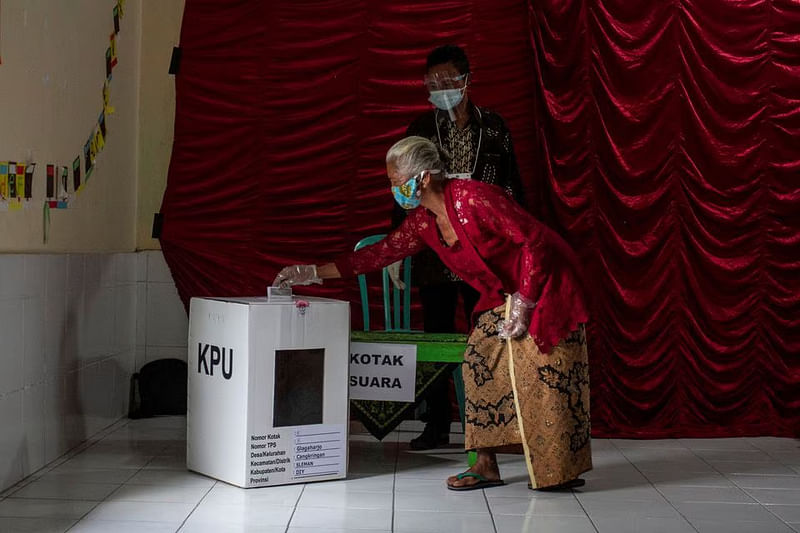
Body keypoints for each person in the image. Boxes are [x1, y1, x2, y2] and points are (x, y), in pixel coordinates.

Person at [273, 136, 592, 491]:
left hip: (544, 281)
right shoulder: (423, 222)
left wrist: (526, 299)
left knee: (545, 369)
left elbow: (535, 241)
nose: (393, 189)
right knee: (479, 361)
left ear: (423, 178)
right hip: (502, 292)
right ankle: (485, 465)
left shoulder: (474, 198)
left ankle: (558, 472)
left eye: (397, 182)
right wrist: (313, 272)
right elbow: (378, 254)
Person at [391, 44, 525, 450]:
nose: (440, 88)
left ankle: (491, 427)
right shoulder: (420, 127)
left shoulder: (495, 128)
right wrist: (399, 249)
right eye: (432, 83)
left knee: (487, 337)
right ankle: (436, 424)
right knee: (435, 336)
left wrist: (514, 248)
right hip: (437, 248)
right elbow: (403, 187)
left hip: (482, 252)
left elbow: (512, 187)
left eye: (447, 81)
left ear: (466, 81)